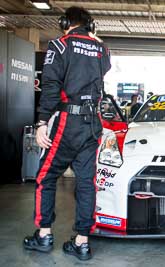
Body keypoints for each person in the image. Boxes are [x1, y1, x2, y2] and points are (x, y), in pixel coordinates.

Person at [23, 6, 111, 261]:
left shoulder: (59, 45)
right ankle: (82, 243)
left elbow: (50, 85)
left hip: (67, 122)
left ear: (65, 23)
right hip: (93, 122)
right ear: (90, 25)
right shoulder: (102, 48)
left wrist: (41, 122)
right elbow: (102, 69)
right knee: (86, 182)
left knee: (45, 177)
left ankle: (44, 234)